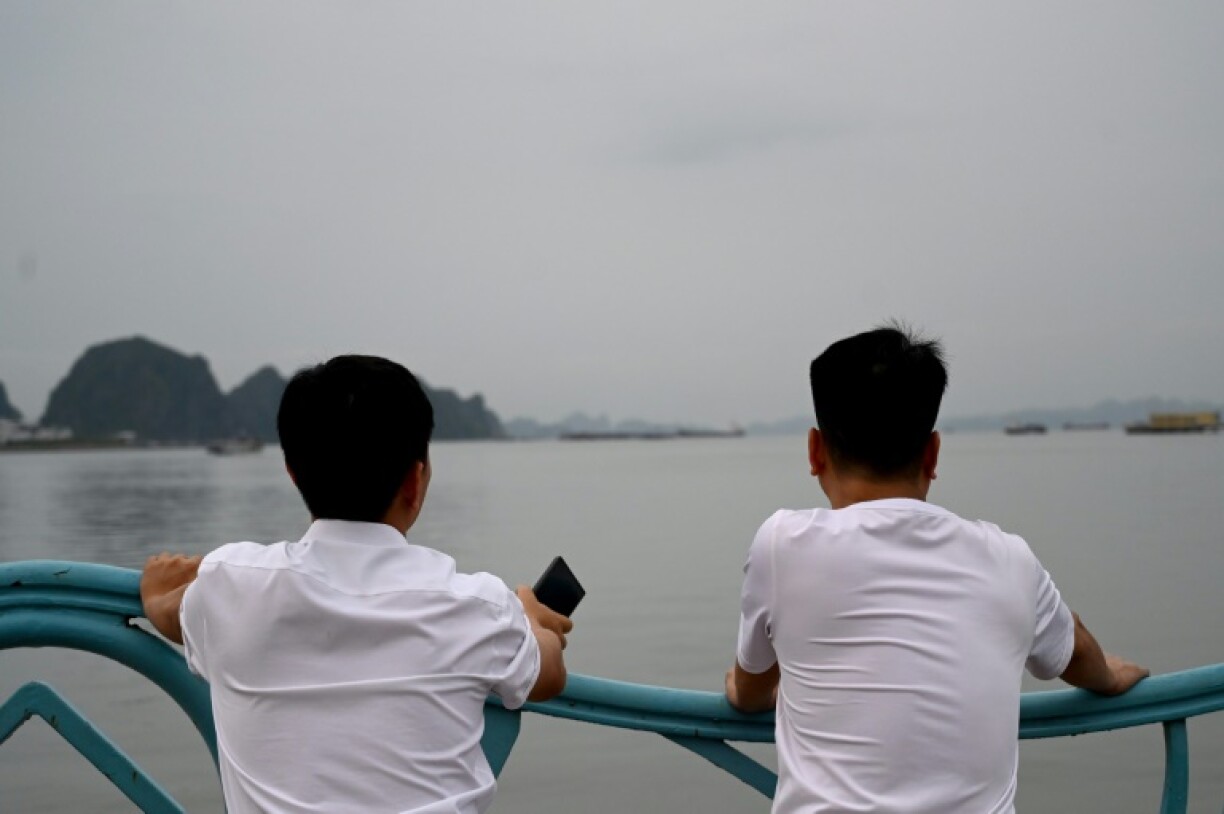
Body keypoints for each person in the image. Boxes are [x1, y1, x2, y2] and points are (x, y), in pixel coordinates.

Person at [724, 325, 1147, 814]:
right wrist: (1112, 679)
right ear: (933, 453)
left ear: (815, 451)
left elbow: (751, 690)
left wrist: (738, 688)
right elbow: (1074, 650)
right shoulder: (1010, 558)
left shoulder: (782, 545)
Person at [141, 355, 572, 814]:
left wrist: (154, 587)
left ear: (292, 472)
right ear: (415, 480)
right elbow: (548, 675)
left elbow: (168, 611)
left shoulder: (229, 586)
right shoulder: (478, 607)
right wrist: (527, 616)